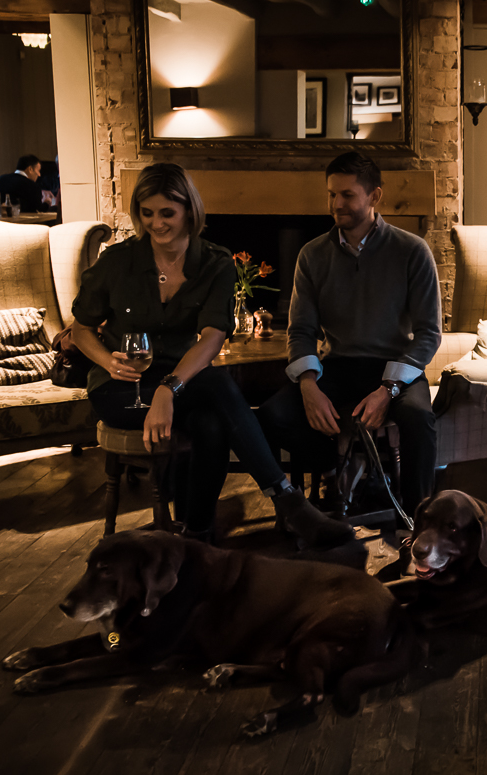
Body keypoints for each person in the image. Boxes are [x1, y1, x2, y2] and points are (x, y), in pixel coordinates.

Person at [70, 162, 352, 547]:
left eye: (167, 213)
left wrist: (168, 390)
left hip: (183, 381)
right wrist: (106, 360)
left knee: (212, 419)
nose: (156, 223)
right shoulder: (118, 262)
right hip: (122, 387)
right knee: (216, 389)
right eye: (147, 213)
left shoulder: (215, 262)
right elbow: (82, 328)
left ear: (189, 210)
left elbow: (213, 336)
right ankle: (289, 504)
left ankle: (196, 535)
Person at [258, 151, 442, 510]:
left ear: (374, 196)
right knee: (272, 415)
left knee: (419, 418)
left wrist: (388, 389)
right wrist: (309, 386)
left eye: (347, 195)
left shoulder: (412, 251)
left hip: (395, 368)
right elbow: (300, 331)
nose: (335, 204)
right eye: (331, 194)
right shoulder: (312, 255)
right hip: (338, 365)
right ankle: (336, 469)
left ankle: (420, 517)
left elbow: (428, 334)